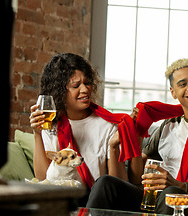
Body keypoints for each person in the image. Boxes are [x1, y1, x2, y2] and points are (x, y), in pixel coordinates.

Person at [86, 58, 188, 216]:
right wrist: (138, 133)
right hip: (156, 198)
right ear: (173, 92)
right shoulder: (168, 125)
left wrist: (179, 185)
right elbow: (137, 178)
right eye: (183, 84)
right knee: (105, 183)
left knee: (171, 194)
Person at [29, 53, 140, 205]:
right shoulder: (50, 125)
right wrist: (37, 133)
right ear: (59, 91)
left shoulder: (106, 124)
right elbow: (43, 179)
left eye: (87, 83)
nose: (85, 90)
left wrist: (113, 147)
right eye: (76, 86)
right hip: (65, 199)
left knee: (103, 182)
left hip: (97, 199)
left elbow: (117, 184)